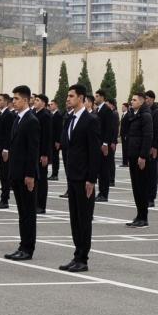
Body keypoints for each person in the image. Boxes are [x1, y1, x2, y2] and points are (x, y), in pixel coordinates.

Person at [60, 83, 102, 271]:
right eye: (68, 96)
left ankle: (83, 259)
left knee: (84, 219)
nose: (68, 99)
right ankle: (76, 254)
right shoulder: (69, 119)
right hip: (72, 175)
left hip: (85, 177)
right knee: (74, 219)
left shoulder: (90, 120)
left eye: (71, 96)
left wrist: (91, 179)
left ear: (81, 98)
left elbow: (94, 152)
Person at [4, 86, 44, 260]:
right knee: (22, 213)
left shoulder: (31, 120)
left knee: (28, 213)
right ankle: (22, 245)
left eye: (17, 99)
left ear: (26, 100)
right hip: (16, 173)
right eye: (13, 98)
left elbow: (32, 150)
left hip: (26, 175)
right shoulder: (18, 119)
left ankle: (28, 248)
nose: (14, 101)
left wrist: (30, 175)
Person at [122, 92, 157, 227]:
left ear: (141, 102)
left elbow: (148, 137)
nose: (132, 102)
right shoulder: (133, 115)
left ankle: (144, 217)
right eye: (131, 100)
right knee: (136, 187)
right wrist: (130, 113)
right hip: (132, 154)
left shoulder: (146, 116)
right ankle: (139, 215)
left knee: (142, 187)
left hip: (140, 157)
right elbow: (125, 128)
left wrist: (143, 156)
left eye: (134, 100)